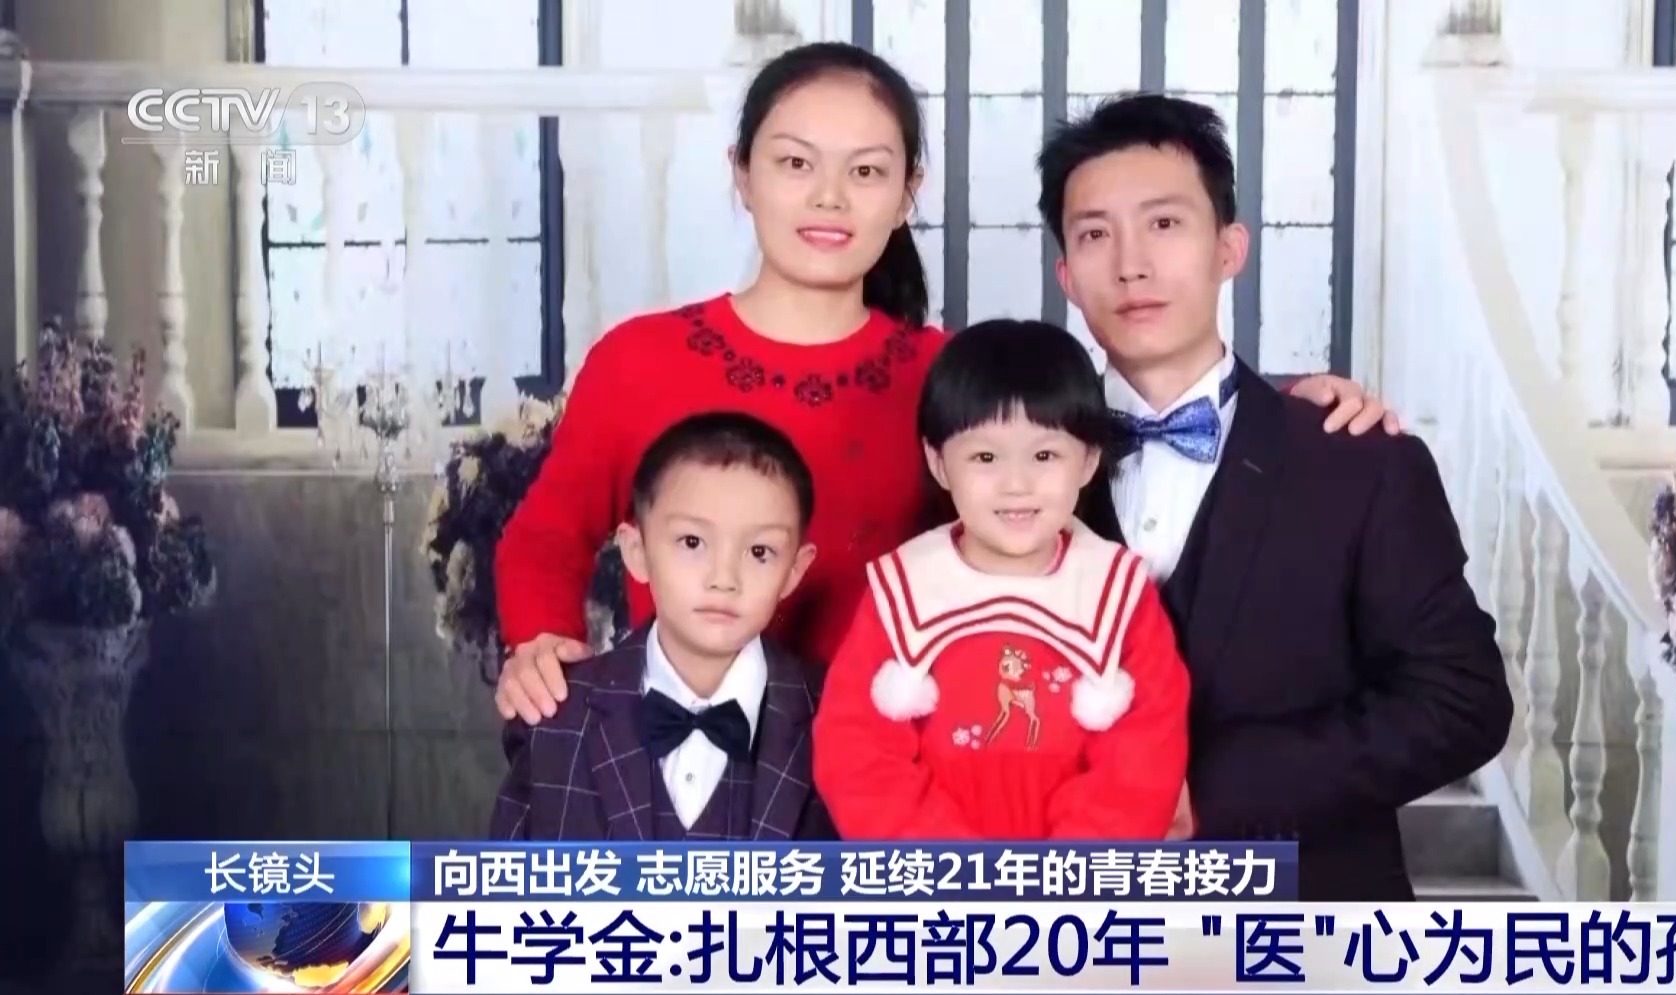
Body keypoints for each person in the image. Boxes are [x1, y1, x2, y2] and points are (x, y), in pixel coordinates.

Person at [491, 41, 1396, 727]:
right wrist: (540, 644)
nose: (830, 198)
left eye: (867, 171)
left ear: (908, 192)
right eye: (796, 163)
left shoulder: (949, 373)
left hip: (911, 779)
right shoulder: (639, 358)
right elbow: (545, 537)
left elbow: (1089, 437)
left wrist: (1279, 406)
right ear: (742, 173)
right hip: (690, 763)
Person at [1039, 94, 1512, 897]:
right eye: (1093, 235)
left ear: (1229, 248)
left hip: (1309, 919)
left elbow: (1461, 700)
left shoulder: (1358, 460)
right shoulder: (1002, 469)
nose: (1130, 264)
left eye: (1164, 224)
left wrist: (1215, 791)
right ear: (1066, 277)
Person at [812, 319, 1187, 839]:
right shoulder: (903, 588)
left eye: (1045, 455)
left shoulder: (1117, 591)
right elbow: (857, 752)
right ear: (938, 463)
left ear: (1088, 462)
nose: (1016, 484)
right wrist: (952, 867)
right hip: (931, 878)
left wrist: (1069, 870)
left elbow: (1144, 756)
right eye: (985, 457)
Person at [491, 412, 836, 841]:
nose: (724, 578)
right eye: (692, 542)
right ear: (637, 551)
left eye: (760, 552)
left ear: (795, 571)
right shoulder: (554, 719)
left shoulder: (839, 718)